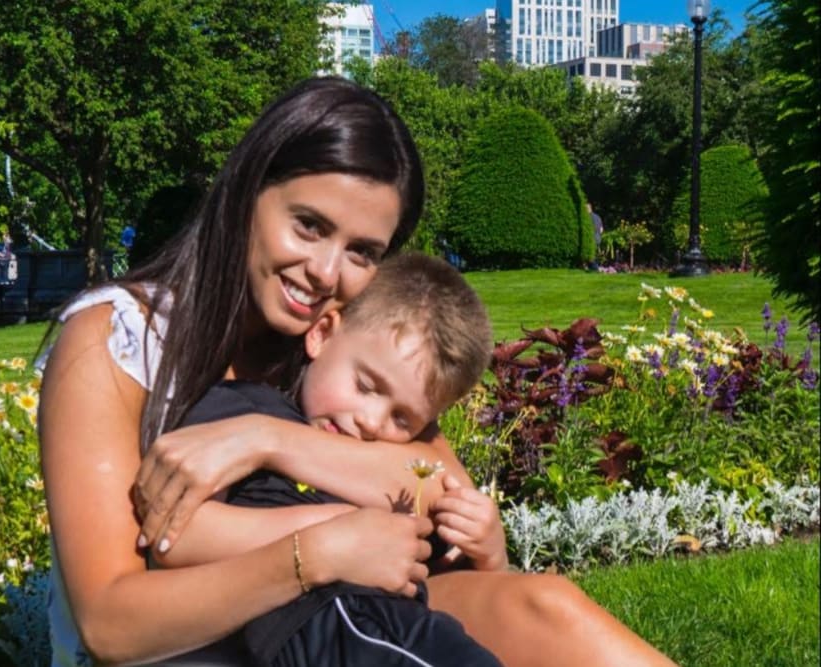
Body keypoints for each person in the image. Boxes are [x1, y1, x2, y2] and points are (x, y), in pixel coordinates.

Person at [41, 76, 676, 667]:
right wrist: (316, 553)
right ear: (247, 192)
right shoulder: (116, 339)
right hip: (189, 645)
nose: (325, 272)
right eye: (308, 225)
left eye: (362, 252)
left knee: (544, 606)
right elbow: (109, 623)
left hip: (338, 624)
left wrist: (265, 438)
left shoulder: (342, 342)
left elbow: (439, 488)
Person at [158, 254, 500, 666]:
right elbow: (176, 537)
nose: (371, 421)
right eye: (365, 385)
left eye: (402, 418)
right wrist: (334, 534)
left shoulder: (390, 461)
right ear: (322, 334)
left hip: (392, 627)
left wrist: (491, 553)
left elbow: (454, 564)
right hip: (331, 627)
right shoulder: (245, 408)